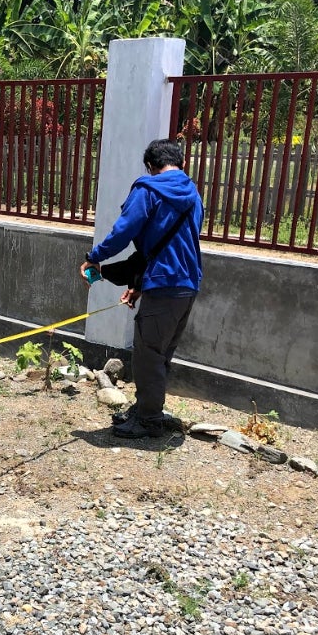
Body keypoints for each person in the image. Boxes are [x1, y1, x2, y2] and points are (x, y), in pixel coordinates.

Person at [80, 139, 204, 439]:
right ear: (180, 163)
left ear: (150, 166)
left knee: (148, 356)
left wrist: (94, 257)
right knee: (161, 355)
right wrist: (139, 284)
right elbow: (175, 244)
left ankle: (148, 420)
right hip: (187, 286)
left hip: (164, 286)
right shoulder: (193, 193)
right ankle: (147, 409)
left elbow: (123, 231)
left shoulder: (148, 189)